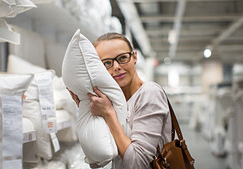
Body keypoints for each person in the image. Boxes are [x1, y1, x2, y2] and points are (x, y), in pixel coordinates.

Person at [68, 32, 172, 169]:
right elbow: (97, 161)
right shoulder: (112, 101)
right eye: (107, 63)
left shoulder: (149, 93)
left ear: (134, 57)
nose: (116, 67)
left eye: (122, 58)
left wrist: (108, 114)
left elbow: (137, 163)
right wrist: (86, 110)